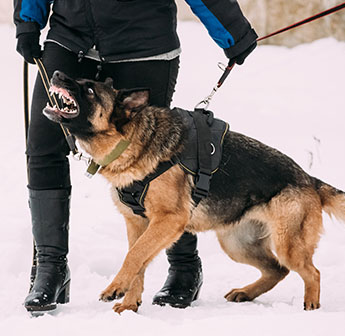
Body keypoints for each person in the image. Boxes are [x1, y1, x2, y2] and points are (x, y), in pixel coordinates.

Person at [14, 0, 257, 313]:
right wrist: (28, 21)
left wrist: (233, 30)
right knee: (43, 147)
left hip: (143, 42)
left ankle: (184, 268)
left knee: (160, 161)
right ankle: (50, 268)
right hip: (70, 37)